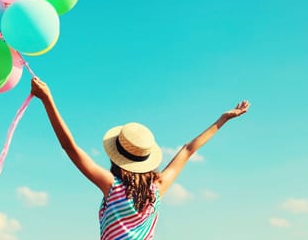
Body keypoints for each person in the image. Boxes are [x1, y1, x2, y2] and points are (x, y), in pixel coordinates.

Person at [31, 77, 250, 240]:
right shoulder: (158, 188)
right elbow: (187, 150)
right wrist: (223, 119)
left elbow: (70, 148)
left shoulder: (111, 186)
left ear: (116, 157)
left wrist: (47, 99)